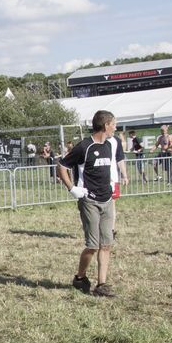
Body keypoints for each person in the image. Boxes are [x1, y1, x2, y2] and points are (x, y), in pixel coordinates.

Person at [57, 110, 127, 298]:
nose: (115, 127)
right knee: (93, 245)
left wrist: (113, 186)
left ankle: (101, 285)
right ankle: (80, 278)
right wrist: (72, 188)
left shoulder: (110, 145)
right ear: (105, 125)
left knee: (106, 244)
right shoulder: (84, 147)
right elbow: (62, 166)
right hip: (89, 201)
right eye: (114, 124)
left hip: (107, 199)